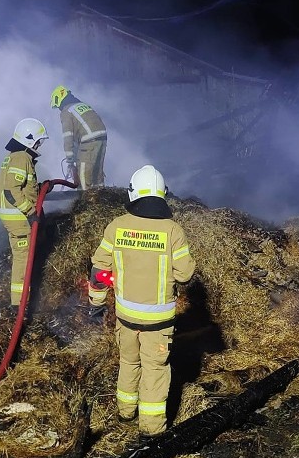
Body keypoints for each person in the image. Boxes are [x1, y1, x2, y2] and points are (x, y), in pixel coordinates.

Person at [88, 165, 195, 434]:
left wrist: (96, 301)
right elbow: (184, 274)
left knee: (129, 363)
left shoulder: (116, 227)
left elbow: (100, 269)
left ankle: (125, 413)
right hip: (158, 323)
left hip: (125, 318)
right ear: (162, 195)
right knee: (155, 371)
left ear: (133, 193)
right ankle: (151, 431)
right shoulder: (173, 231)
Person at [0, 118, 48, 309]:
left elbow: (22, 185)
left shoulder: (15, 156)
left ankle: (20, 302)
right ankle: (19, 306)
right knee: (23, 261)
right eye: (38, 141)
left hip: (13, 216)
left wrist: (40, 188)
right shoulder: (21, 158)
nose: (40, 145)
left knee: (23, 258)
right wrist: (31, 212)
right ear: (29, 140)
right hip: (19, 218)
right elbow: (12, 190)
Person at [50, 84, 107, 188]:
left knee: (84, 177)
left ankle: (86, 201)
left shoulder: (66, 111)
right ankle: (101, 198)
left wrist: (70, 160)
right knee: (97, 174)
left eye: (57, 106)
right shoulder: (81, 105)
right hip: (102, 138)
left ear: (59, 100)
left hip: (89, 141)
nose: (59, 108)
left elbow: (68, 137)